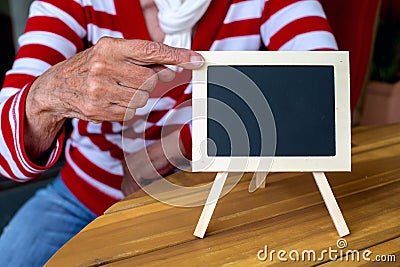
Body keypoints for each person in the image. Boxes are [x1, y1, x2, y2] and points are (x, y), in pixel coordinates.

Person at [0, 0, 338, 266]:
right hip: (84, 198)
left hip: (210, 201)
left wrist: (174, 149)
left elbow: (325, 93)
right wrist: (48, 95)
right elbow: (4, 151)